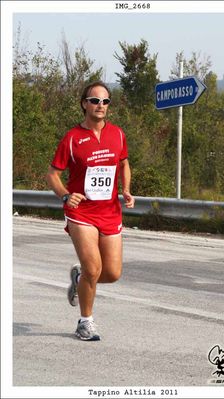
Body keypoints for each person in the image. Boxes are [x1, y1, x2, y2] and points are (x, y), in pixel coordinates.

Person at [46, 81, 135, 341]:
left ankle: (79, 280)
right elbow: (52, 173)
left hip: (109, 211)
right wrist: (65, 195)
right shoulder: (72, 138)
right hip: (81, 213)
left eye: (105, 101)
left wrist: (126, 189)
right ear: (84, 103)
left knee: (112, 273)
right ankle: (85, 322)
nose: (100, 106)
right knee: (94, 268)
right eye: (95, 101)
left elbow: (124, 163)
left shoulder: (117, 134)